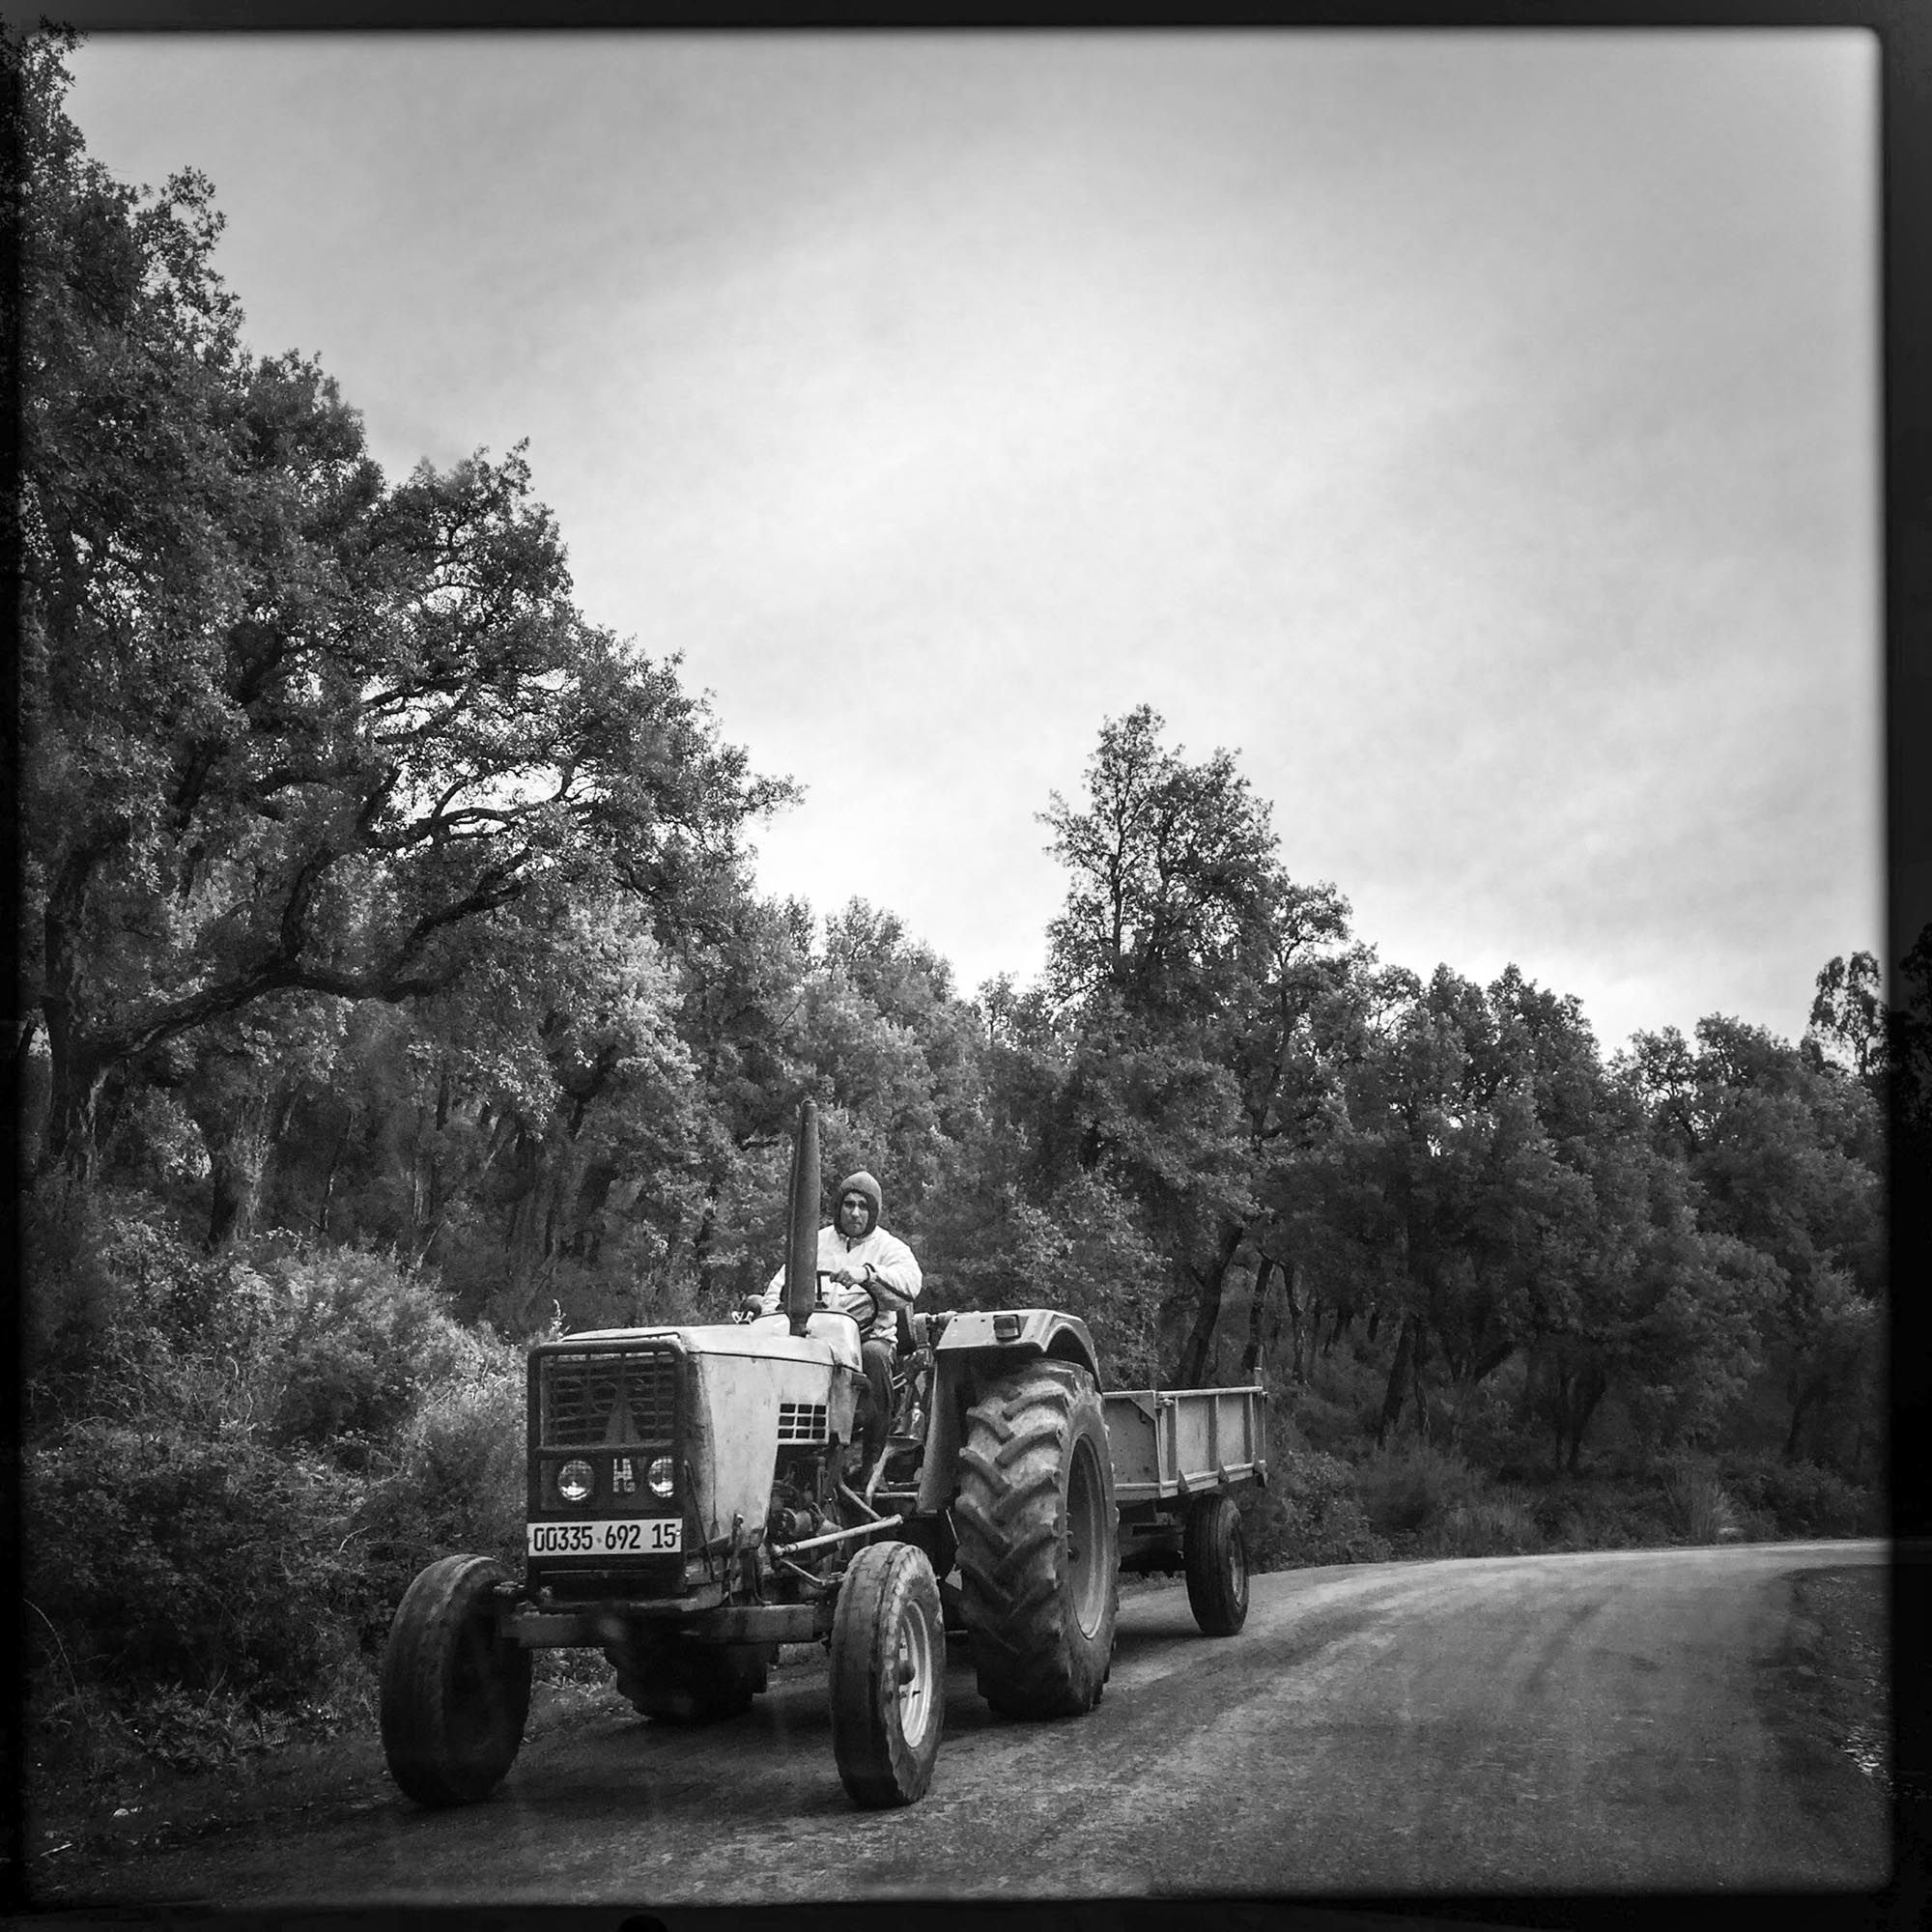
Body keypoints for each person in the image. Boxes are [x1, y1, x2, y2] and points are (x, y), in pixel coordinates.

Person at [761, 1170, 921, 1467]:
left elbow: (910, 1284)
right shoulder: (814, 1243)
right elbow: (779, 1286)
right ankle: (777, 1457)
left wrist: (868, 1274)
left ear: (873, 1212)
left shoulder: (889, 1248)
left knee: (875, 1357)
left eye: (863, 1206)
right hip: (813, 1340)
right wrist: (769, 1316)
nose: (855, 1213)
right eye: (849, 1204)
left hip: (866, 1340)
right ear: (839, 1208)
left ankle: (871, 1463)